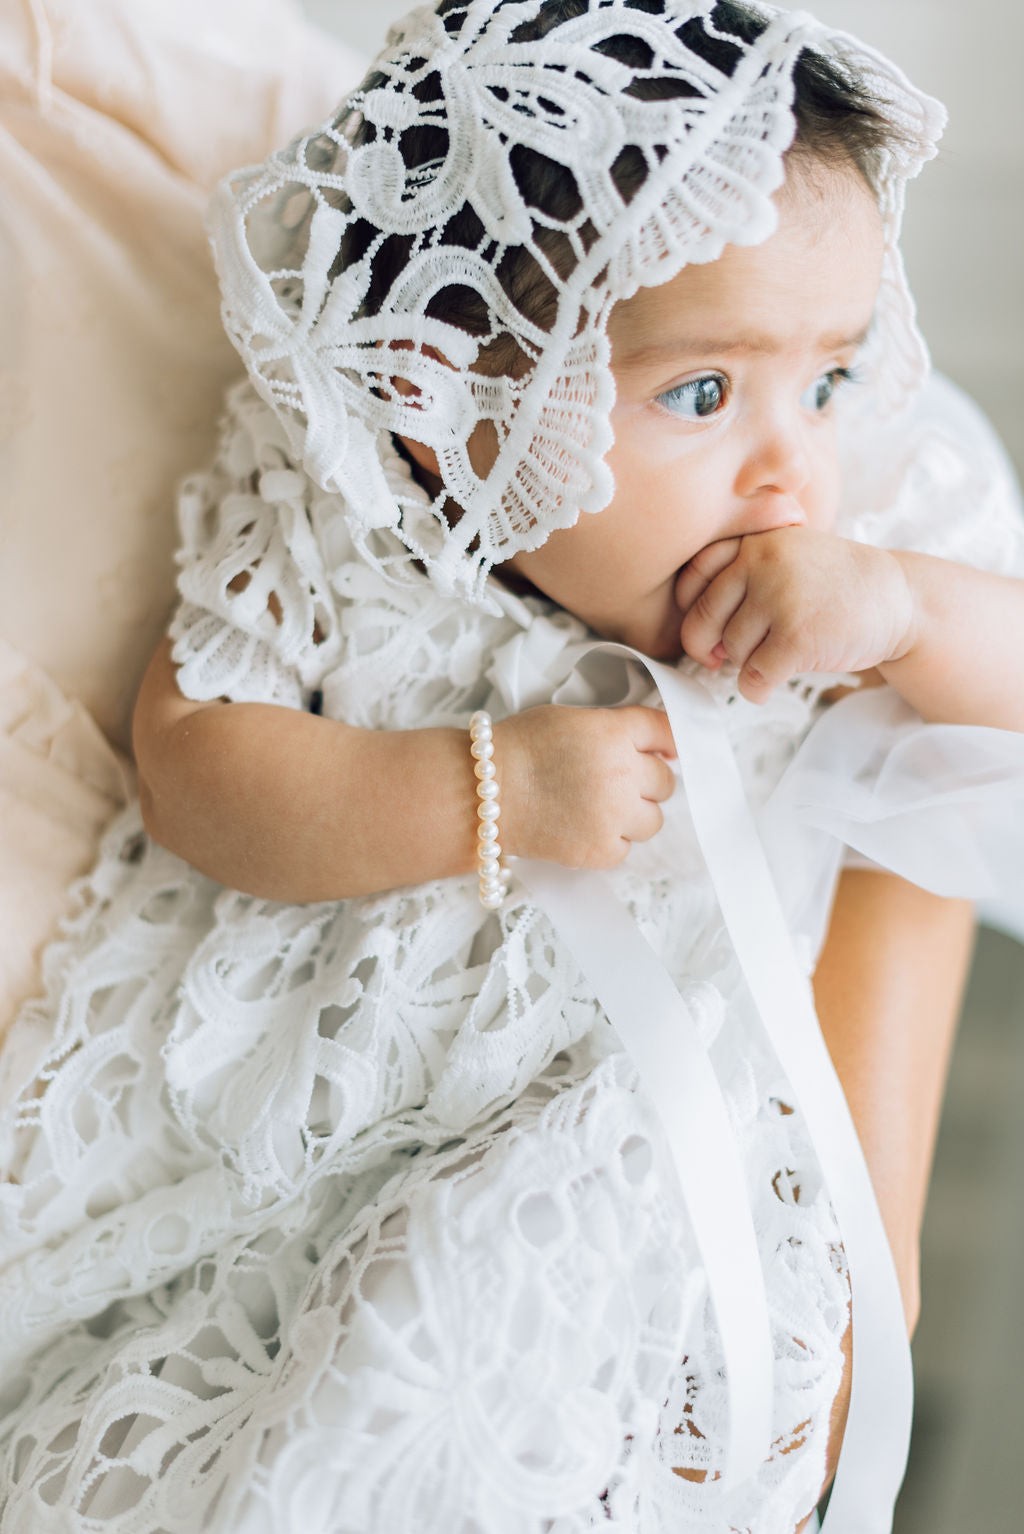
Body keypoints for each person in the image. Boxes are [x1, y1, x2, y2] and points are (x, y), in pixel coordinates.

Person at [2, 3, 1023, 1531]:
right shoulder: (344, 518)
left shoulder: (847, 540)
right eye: (702, 394)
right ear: (449, 406)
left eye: (825, 379)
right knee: (305, 1400)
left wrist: (911, 611)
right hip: (331, 1138)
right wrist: (489, 788)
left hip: (643, 1144)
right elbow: (195, 760)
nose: (790, 467)